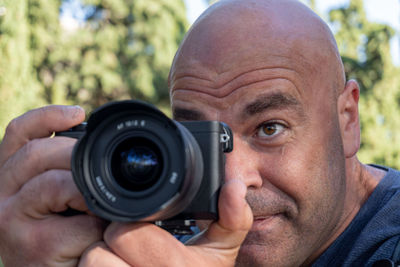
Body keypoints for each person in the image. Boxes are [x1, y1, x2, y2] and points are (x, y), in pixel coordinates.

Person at [1, 0, 400, 266]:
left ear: (348, 119)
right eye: (197, 138)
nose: (232, 180)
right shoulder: (153, 238)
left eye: (269, 128)